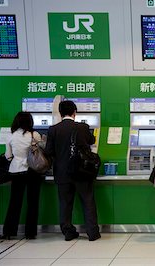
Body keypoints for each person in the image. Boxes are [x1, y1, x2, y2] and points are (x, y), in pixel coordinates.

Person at [45, 100, 101, 241]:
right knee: (88, 201)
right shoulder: (83, 127)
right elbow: (92, 140)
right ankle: (92, 233)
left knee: (65, 203)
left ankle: (68, 232)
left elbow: (49, 151)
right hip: (82, 171)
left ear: (60, 113)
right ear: (74, 112)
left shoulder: (53, 129)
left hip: (62, 173)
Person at [0, 112, 44, 240]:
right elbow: (42, 150)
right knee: (32, 202)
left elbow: (8, 156)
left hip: (16, 171)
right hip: (33, 171)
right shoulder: (34, 135)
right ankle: (30, 233)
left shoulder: (11, 136)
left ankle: (8, 231)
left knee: (14, 203)